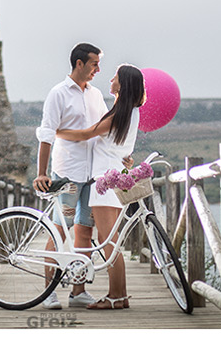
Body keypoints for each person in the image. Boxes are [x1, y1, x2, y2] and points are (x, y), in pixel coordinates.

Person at [55, 64, 146, 310]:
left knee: (108, 241)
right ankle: (121, 295)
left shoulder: (119, 114)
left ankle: (116, 295)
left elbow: (86, 134)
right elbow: (121, 148)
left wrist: (57, 132)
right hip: (116, 179)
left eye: (115, 77)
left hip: (104, 182)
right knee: (111, 240)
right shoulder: (131, 112)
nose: (111, 80)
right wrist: (126, 159)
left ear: (123, 84)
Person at [33, 43, 108, 309]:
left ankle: (78, 291)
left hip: (92, 175)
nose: (98, 69)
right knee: (58, 233)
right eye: (94, 64)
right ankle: (48, 292)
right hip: (67, 175)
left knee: (85, 233)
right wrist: (42, 172)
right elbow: (46, 133)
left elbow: (101, 131)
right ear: (79, 63)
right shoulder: (58, 93)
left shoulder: (96, 94)